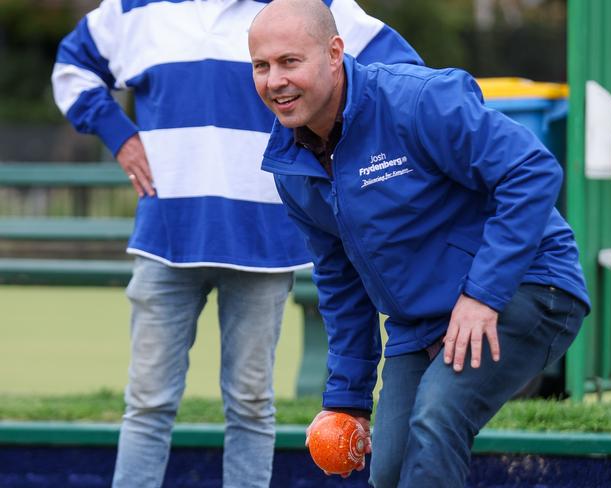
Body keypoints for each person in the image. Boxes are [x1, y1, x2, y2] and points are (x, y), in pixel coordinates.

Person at [51, 1, 423, 486]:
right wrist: (119, 135)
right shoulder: (130, 9)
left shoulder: (310, 7)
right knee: (146, 404)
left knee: (251, 405)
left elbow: (399, 75)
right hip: (166, 235)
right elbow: (70, 69)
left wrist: (340, 153)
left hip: (265, 240)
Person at [248, 0, 591, 486]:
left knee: (435, 418)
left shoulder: (419, 100)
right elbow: (341, 281)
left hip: (527, 284)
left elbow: (531, 170)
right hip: (422, 321)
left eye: (289, 62)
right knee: (389, 472)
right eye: (261, 66)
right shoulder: (291, 165)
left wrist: (482, 294)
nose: (274, 80)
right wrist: (347, 400)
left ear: (333, 53)